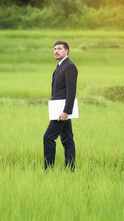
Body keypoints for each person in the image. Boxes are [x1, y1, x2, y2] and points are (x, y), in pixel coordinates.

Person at [43, 41, 78, 171]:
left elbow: (71, 91)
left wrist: (66, 111)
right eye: (54, 49)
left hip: (62, 111)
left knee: (48, 137)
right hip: (57, 109)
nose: (56, 51)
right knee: (67, 140)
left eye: (59, 49)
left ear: (66, 51)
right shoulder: (60, 66)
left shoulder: (69, 66)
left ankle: (48, 169)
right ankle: (70, 169)